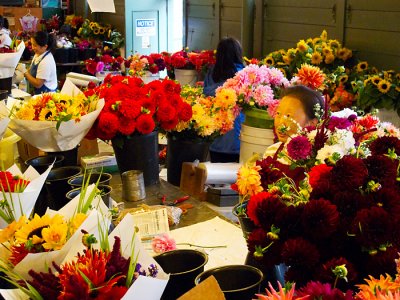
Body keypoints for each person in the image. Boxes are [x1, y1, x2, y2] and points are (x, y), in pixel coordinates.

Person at [203, 37, 245, 162]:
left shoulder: (211, 74)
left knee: (216, 176)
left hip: (216, 138)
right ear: (238, 53)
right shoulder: (243, 75)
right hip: (238, 140)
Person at [263, 85, 325, 158]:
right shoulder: (271, 151)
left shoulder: (316, 158)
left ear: (312, 123)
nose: (281, 122)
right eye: (278, 113)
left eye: (288, 116)